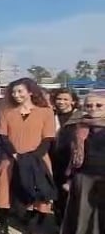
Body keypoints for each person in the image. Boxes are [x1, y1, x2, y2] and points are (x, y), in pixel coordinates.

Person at [0, 78, 57, 234]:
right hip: (11, 160)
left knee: (34, 200)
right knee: (3, 197)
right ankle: (3, 230)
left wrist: (32, 158)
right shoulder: (6, 112)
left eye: (20, 91)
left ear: (30, 92)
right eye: (13, 91)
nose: (16, 95)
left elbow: (48, 138)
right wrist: (15, 154)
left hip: (37, 161)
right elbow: (3, 136)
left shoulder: (46, 112)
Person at [61, 91, 105, 234]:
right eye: (89, 105)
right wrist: (70, 178)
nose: (93, 108)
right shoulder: (80, 126)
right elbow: (73, 154)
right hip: (84, 174)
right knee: (83, 213)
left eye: (99, 105)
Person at [50, 88, 83, 225]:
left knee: (73, 194)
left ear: (73, 101)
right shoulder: (51, 116)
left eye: (65, 99)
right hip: (53, 160)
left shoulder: (80, 118)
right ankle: (60, 224)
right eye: (59, 99)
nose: (61, 102)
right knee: (57, 194)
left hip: (72, 162)